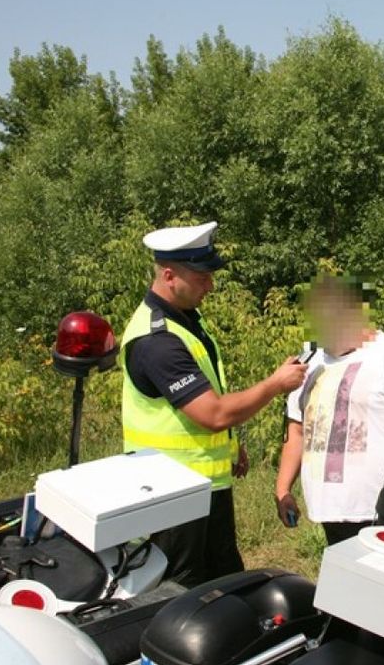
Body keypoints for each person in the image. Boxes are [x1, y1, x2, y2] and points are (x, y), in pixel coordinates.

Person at [120, 222, 307, 588]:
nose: (211, 285)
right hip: (169, 493)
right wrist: (274, 384)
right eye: (202, 277)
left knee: (223, 579)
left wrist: (232, 446)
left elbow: (201, 398)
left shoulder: (186, 320)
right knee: (180, 590)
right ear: (170, 276)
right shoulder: (156, 341)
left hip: (202, 484)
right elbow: (213, 413)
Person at [274, 275, 384, 546]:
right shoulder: (309, 362)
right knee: (347, 582)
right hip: (329, 511)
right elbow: (296, 430)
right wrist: (283, 489)